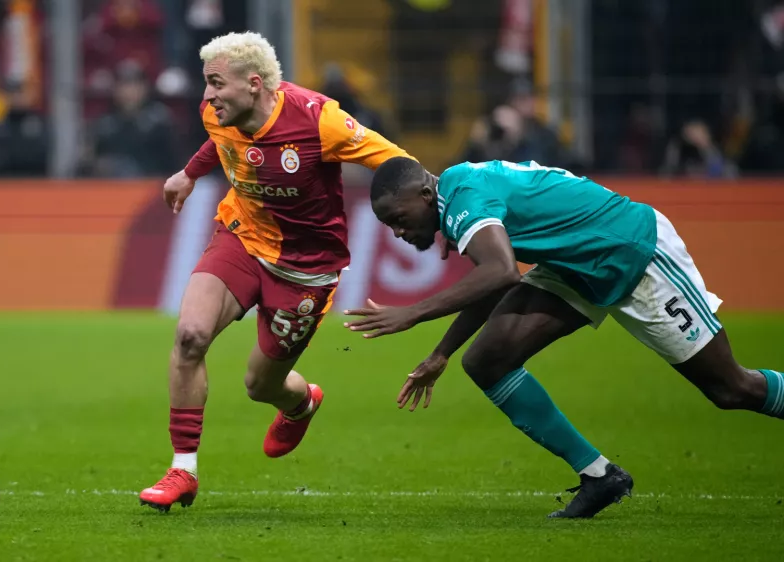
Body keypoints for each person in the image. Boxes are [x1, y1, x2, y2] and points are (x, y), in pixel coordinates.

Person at [343, 157, 784, 519]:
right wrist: (441, 354)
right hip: (575, 264)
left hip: (630, 251)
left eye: (399, 220)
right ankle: (599, 476)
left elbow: (500, 272)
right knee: (487, 360)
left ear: (424, 196)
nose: (398, 233)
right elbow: (495, 276)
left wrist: (412, 314)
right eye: (389, 227)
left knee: (731, 389)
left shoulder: (465, 197)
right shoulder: (458, 192)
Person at [138, 31, 414, 512]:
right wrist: (189, 173)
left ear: (254, 83)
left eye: (216, 83)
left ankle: (301, 402)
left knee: (259, 385)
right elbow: (219, 141)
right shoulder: (217, 113)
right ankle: (183, 469)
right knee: (189, 336)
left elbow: (393, 158)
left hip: (306, 270)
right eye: (206, 84)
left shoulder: (318, 120)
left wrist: (438, 208)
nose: (206, 96)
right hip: (241, 237)